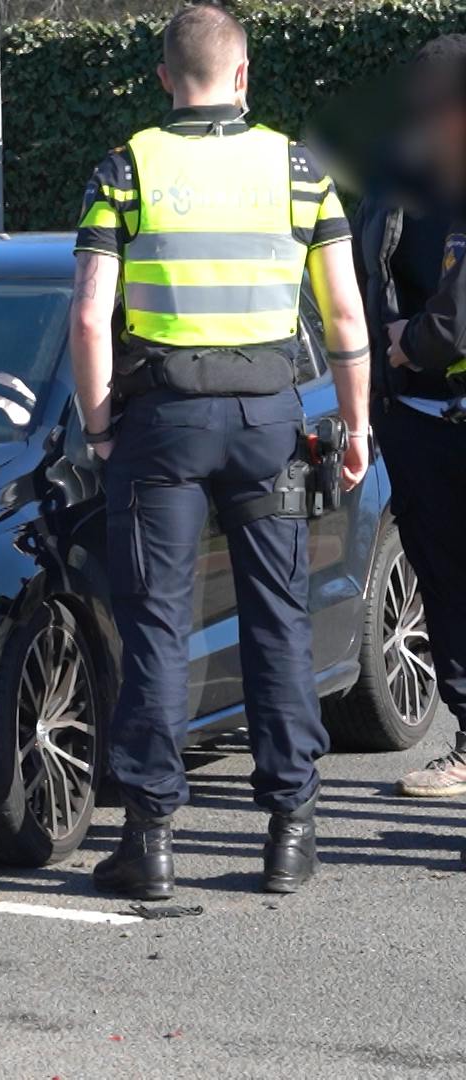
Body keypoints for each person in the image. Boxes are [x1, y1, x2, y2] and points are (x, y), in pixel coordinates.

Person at [69, 3, 371, 898]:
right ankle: (289, 835)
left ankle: (150, 843)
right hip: (268, 422)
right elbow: (346, 316)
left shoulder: (127, 169)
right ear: (243, 74)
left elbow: (90, 316)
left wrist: (96, 428)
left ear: (166, 77)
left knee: (156, 623)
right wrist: (355, 427)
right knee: (276, 617)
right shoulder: (298, 169)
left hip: (162, 428)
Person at [353, 37, 466, 798]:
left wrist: (410, 343)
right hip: (418, 424)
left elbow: (456, 322)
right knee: (447, 588)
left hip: (438, 390)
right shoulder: (399, 177)